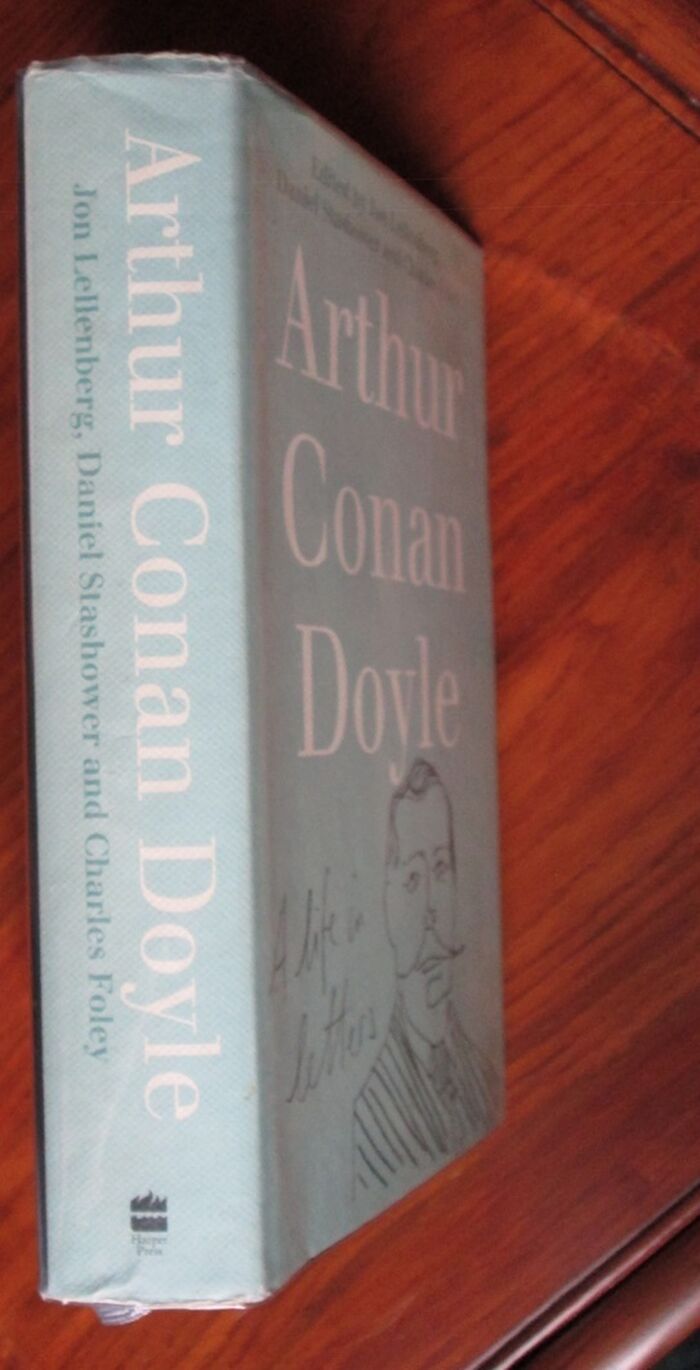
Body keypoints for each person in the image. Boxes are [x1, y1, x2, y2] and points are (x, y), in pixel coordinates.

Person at [353, 757, 499, 1196]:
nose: (433, 910)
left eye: (441, 870)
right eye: (414, 879)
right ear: (387, 901)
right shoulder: (370, 1115)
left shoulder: (486, 1078)